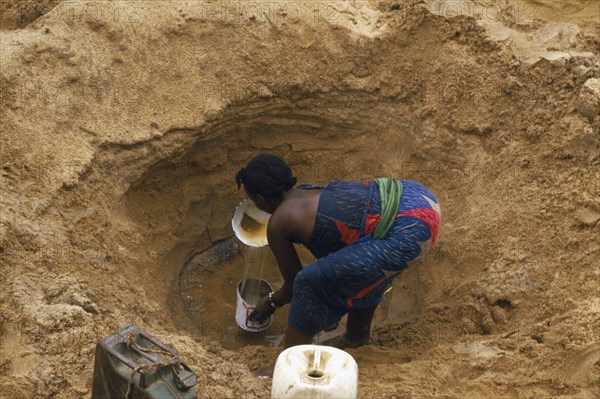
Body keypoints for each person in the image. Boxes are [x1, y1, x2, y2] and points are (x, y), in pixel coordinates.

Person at [235, 154, 441, 349]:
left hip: (410, 230)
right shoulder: (309, 190)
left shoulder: (278, 223)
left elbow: (294, 285)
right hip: (416, 198)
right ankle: (356, 336)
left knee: (309, 282)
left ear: (260, 199)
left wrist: (270, 302)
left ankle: (290, 360)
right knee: (357, 261)